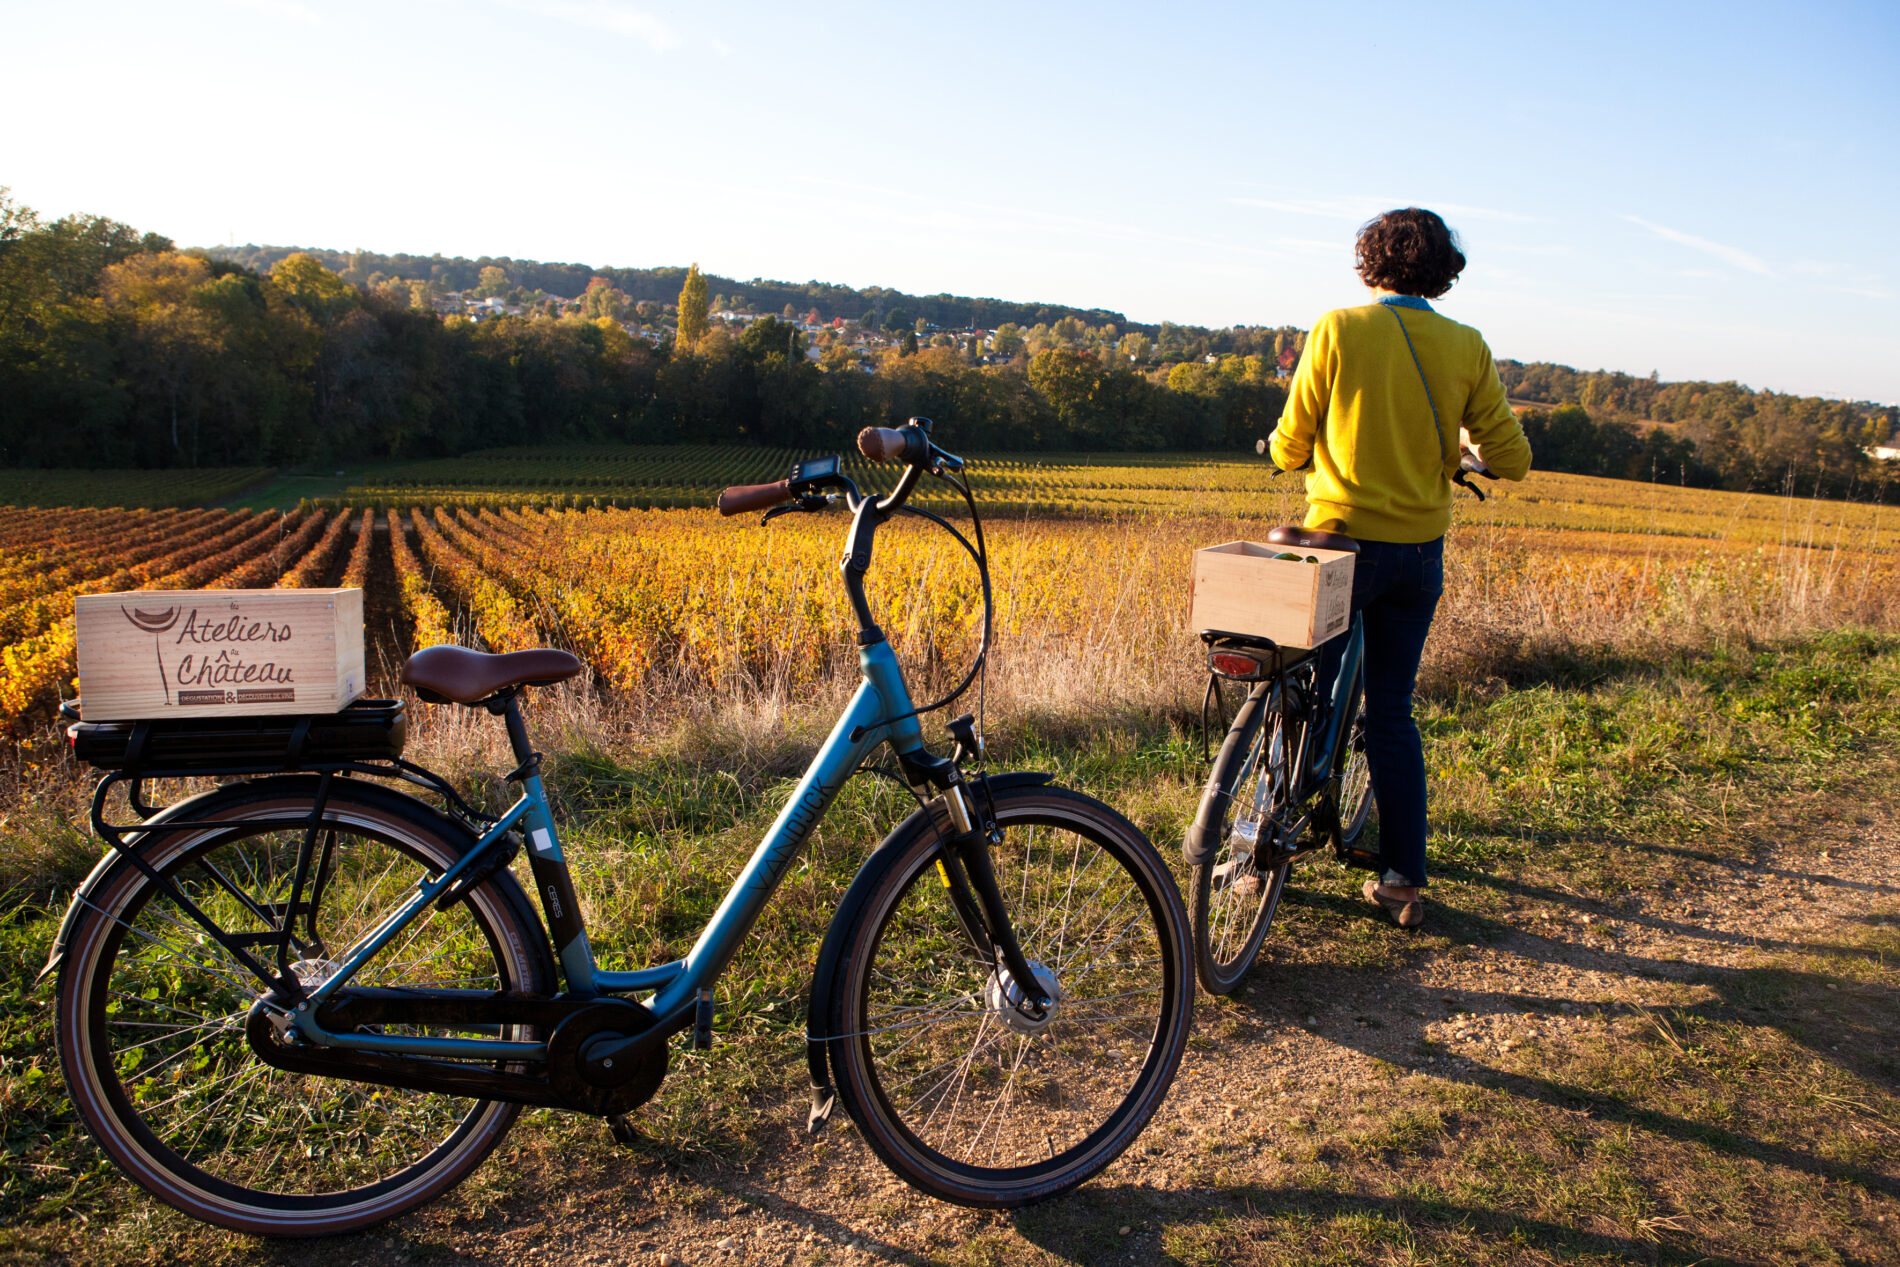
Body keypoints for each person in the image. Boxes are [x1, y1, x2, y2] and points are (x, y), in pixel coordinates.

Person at [1267, 207, 1532, 928]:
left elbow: (1288, 447)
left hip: (1338, 542)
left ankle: (1268, 820)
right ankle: (1401, 881)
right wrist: (1461, 455)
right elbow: (1512, 457)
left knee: (1302, 683)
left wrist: (1291, 447)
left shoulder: (1338, 329)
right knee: (1390, 711)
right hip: (1416, 555)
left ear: (1369, 261)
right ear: (1443, 271)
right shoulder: (1466, 345)